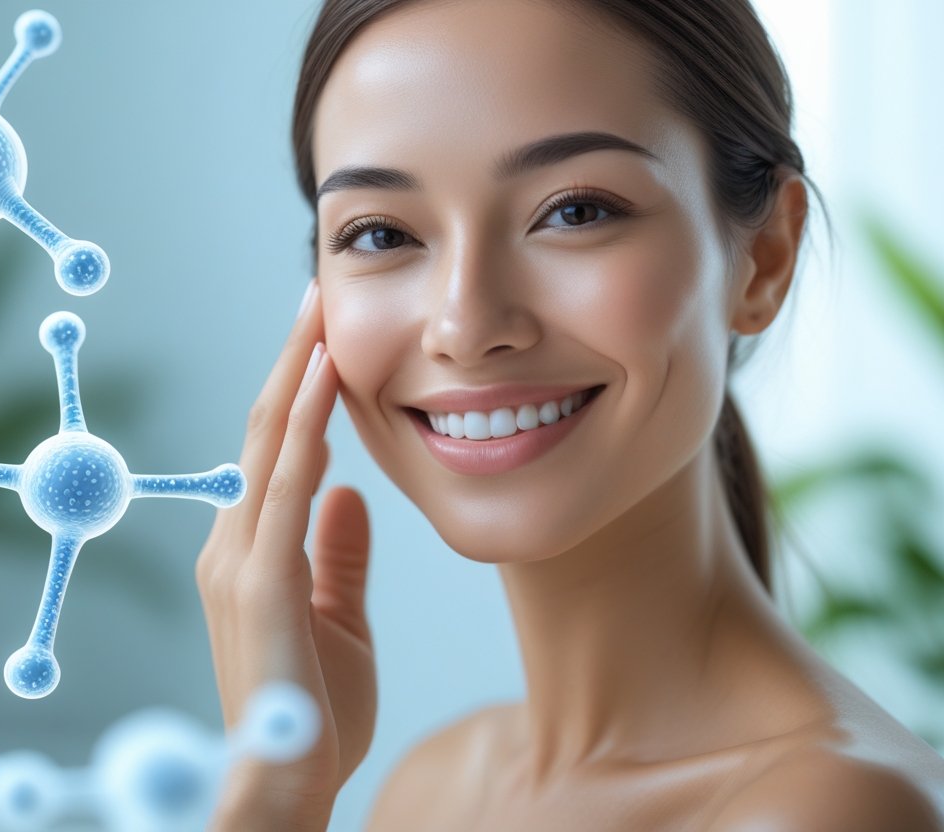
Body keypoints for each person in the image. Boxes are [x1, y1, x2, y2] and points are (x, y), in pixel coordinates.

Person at [194, 0, 944, 828]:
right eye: (380, 234)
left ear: (764, 258)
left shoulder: (832, 813)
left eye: (575, 211)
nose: (465, 325)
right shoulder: (431, 791)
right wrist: (274, 786)